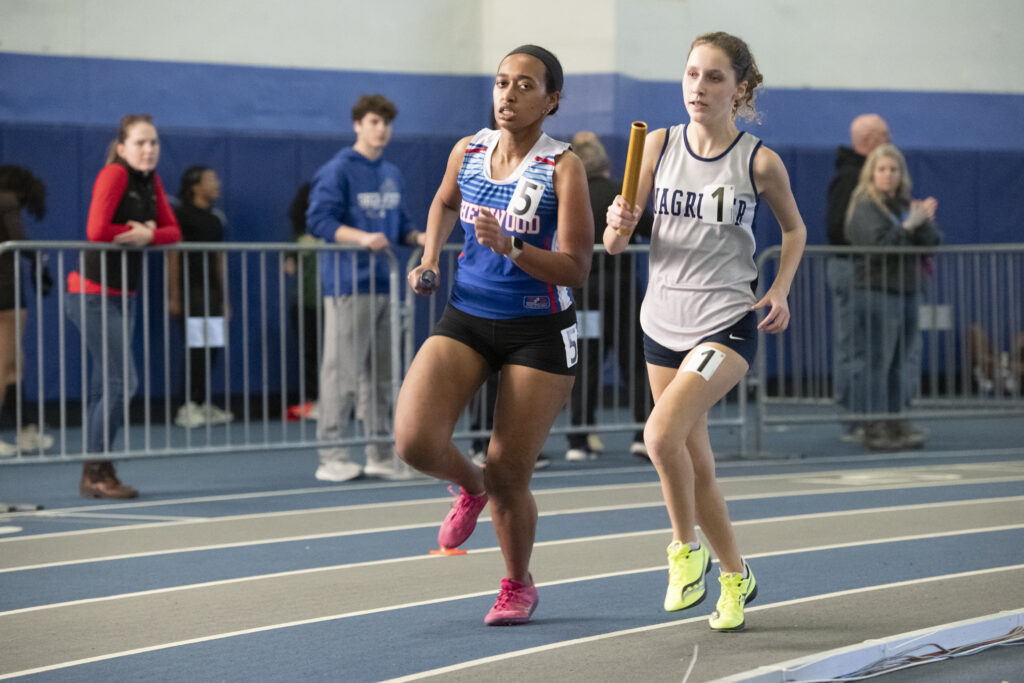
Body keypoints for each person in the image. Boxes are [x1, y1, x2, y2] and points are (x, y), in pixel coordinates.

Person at [605, 32, 807, 632]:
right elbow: (614, 243)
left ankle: (683, 548)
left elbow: (794, 230)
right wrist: (618, 223)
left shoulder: (759, 161)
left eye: (714, 77)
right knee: (698, 466)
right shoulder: (658, 145)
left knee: (659, 434)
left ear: (739, 89)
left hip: (725, 323)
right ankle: (736, 575)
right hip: (662, 321)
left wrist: (780, 288)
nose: (698, 87)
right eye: (692, 74)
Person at [395, 45, 592, 625]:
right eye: (502, 82)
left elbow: (576, 269)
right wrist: (429, 258)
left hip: (540, 329)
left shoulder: (563, 167)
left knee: (511, 472)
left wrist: (511, 246)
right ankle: (470, 485)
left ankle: (517, 583)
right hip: (468, 314)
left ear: (551, 100)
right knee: (413, 441)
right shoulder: (470, 149)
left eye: (525, 85)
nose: (509, 94)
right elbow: (443, 203)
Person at [306, 94, 425, 482]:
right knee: (341, 373)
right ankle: (331, 454)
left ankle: (379, 453)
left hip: (386, 285)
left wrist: (418, 236)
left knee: (382, 376)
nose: (382, 129)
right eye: (374, 122)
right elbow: (318, 221)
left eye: (387, 123)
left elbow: (401, 223)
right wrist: (360, 237)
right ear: (357, 125)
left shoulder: (391, 172)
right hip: (349, 284)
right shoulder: (338, 170)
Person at [66, 114, 182, 498]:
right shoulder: (114, 174)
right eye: (140, 143)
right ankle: (95, 472)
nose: (149, 150)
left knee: (106, 386)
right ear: (122, 148)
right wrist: (138, 233)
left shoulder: (152, 181)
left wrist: (148, 234)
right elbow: (96, 231)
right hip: (91, 292)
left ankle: (98, 469)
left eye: (154, 143)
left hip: (123, 296)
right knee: (122, 383)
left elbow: (174, 232)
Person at [844, 144, 941, 450]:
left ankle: (897, 421)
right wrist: (910, 225)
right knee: (877, 362)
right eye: (882, 169)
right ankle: (875, 425)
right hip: (876, 292)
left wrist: (923, 221)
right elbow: (878, 246)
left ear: (901, 175)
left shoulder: (902, 204)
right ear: (871, 173)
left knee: (900, 362)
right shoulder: (864, 206)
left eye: (893, 169)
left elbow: (933, 241)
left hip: (908, 290)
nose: (888, 175)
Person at [565, 133, 653, 462]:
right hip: (623, 294)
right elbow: (651, 227)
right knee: (635, 362)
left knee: (585, 363)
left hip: (585, 294)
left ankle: (578, 439)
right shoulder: (620, 195)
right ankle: (643, 436)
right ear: (606, 163)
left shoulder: (572, 197)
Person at [825, 114, 890, 443]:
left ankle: (871, 415)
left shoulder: (867, 177)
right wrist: (876, 241)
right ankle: (854, 419)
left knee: (870, 349)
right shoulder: (851, 178)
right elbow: (836, 229)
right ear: (871, 140)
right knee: (854, 348)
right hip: (853, 269)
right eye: (885, 136)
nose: (890, 142)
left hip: (868, 272)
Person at [168, 166, 233, 428]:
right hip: (191, 292)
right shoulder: (181, 215)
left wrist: (224, 298)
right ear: (195, 186)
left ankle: (202, 401)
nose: (217, 183)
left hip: (212, 293)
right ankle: (187, 406)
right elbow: (173, 256)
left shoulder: (216, 218)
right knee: (196, 348)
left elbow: (218, 258)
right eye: (210, 180)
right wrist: (174, 296)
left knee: (212, 348)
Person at [0, 165, 54, 455]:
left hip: (8, 287)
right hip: (6, 290)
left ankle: (26, 428)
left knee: (14, 363)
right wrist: (39, 259)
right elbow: (18, 239)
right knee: (5, 363)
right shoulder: (7, 199)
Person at [284, 182, 322, 421]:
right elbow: (288, 267)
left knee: (333, 354)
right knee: (310, 353)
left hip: (332, 302)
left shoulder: (336, 231)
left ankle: (339, 401)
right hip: (304, 302)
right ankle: (314, 399)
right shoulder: (298, 235)